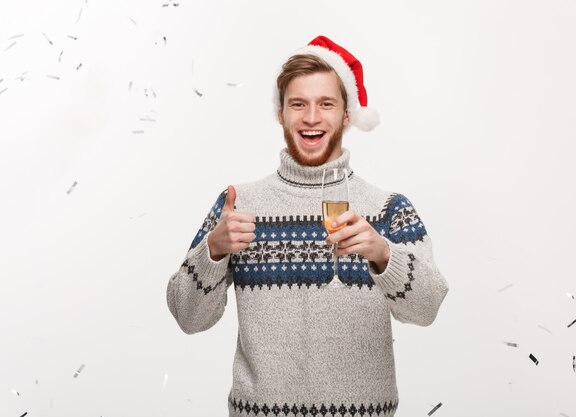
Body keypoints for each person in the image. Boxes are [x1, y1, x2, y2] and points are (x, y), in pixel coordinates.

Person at [166, 35, 449, 417]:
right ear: (280, 114)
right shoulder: (238, 205)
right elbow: (188, 317)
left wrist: (383, 255)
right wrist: (212, 252)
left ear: (347, 115)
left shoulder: (387, 209)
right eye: (298, 104)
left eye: (326, 104)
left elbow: (428, 307)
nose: (312, 118)